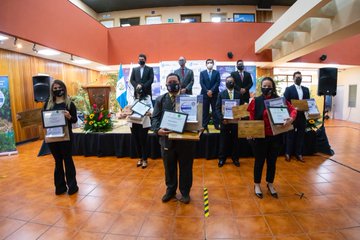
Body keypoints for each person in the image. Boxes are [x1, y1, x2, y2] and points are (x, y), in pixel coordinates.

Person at [247, 77, 297, 199]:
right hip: (260, 137)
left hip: (276, 137)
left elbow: (293, 110)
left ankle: (270, 184)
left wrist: (291, 119)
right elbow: (251, 117)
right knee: (259, 162)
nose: (266, 88)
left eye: (269, 86)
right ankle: (257, 185)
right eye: (264, 86)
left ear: (273, 87)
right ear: (261, 87)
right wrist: (251, 131)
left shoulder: (280, 100)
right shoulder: (256, 101)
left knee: (272, 162)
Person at [152, 73, 196, 204]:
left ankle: (185, 192)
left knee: (186, 168)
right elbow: (155, 118)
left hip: (185, 142)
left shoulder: (189, 99)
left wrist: (199, 126)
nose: (172, 84)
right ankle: (170, 191)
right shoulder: (160, 100)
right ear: (166, 85)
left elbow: (196, 117)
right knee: (169, 168)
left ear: (180, 83)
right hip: (167, 141)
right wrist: (157, 129)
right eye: (169, 82)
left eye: (174, 81)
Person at [44, 80, 79, 195]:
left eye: (59, 87)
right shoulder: (48, 104)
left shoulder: (69, 104)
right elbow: (41, 118)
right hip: (52, 138)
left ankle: (72, 186)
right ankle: (60, 187)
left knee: (68, 160)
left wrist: (69, 116)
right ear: (52, 90)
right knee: (58, 161)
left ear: (63, 88)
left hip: (66, 137)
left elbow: (75, 120)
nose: (57, 90)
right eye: (54, 88)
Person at [215, 76, 243, 168]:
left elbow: (242, 108)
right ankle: (222, 159)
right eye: (228, 81)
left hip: (235, 123)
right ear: (225, 83)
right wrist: (222, 119)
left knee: (236, 141)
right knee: (223, 141)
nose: (230, 83)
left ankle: (235, 159)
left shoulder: (239, 94)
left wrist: (240, 116)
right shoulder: (221, 94)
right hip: (225, 122)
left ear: (234, 83)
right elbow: (217, 108)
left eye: (231, 81)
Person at [283, 71, 310, 162]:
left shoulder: (306, 89)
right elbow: (285, 102)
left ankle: (299, 154)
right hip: (292, 116)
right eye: (297, 77)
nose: (299, 79)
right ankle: (288, 153)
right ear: (293, 78)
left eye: (300, 77)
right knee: (290, 135)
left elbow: (308, 102)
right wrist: (291, 109)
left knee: (301, 135)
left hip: (302, 116)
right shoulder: (289, 89)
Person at [127, 87, 153, 169]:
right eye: (137, 88)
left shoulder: (147, 97)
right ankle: (140, 158)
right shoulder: (132, 98)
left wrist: (150, 112)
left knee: (143, 141)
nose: (139, 90)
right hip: (133, 121)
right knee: (136, 140)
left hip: (143, 122)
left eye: (140, 88)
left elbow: (151, 108)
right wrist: (126, 112)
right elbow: (128, 108)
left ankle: (145, 159)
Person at [200, 59, 220, 131]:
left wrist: (211, 91)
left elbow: (217, 83)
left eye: (211, 62)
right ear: (206, 64)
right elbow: (201, 83)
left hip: (214, 94)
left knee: (215, 110)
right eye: (208, 63)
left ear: (213, 64)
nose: (209, 64)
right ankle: (204, 126)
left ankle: (216, 125)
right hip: (205, 95)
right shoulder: (202, 73)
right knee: (205, 111)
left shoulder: (216, 73)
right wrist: (207, 91)